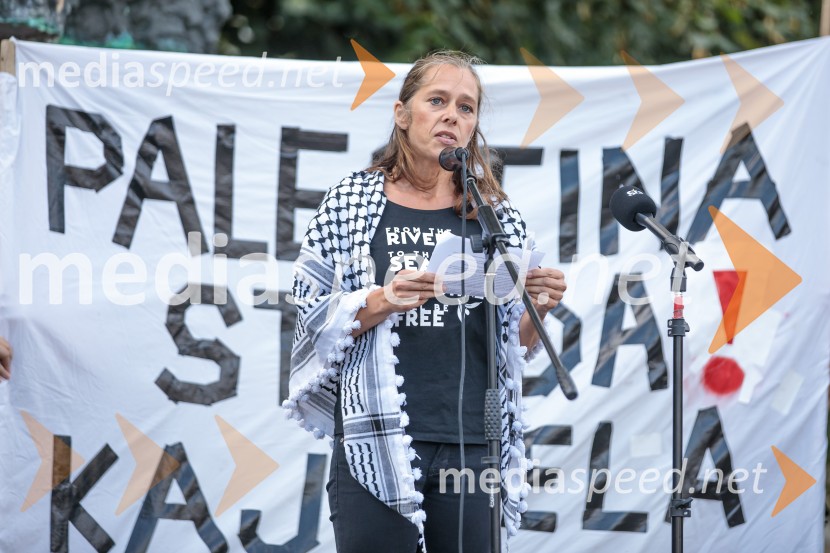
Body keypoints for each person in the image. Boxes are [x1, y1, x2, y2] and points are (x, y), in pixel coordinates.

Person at [283, 50, 566, 552]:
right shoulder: (351, 202)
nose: (452, 116)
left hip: (473, 446)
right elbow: (309, 314)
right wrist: (382, 299)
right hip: (375, 435)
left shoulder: (496, 217)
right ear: (402, 113)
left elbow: (512, 347)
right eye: (437, 100)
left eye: (466, 107)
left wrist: (539, 305)